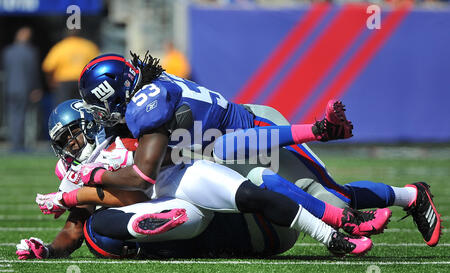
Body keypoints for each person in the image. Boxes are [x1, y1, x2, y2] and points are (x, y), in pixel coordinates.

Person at [77, 52, 442, 247]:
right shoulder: (149, 91)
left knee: (334, 198)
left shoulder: (148, 105)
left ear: (112, 91)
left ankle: (410, 195)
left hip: (259, 131)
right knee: (251, 186)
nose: (100, 113)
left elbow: (228, 147)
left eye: (98, 103)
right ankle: (341, 218)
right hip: (232, 144)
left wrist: (312, 131)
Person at [18, 100, 376, 259]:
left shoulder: (125, 130)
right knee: (97, 229)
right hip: (165, 207)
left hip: (181, 178)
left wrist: (74, 195)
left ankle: (331, 236)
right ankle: (149, 229)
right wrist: (48, 249)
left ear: (91, 125)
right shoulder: (74, 172)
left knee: (250, 192)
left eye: (72, 137)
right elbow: (74, 230)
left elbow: (138, 184)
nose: (70, 147)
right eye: (62, 143)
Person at [2, 26, 42, 152]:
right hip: (25, 88)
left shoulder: (7, 51)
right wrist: (36, 88)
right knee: (24, 117)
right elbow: (33, 72)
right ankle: (20, 144)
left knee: (13, 115)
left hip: (10, 88)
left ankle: (14, 141)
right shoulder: (31, 52)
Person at [42, 29, 99, 105]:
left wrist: (50, 81)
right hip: (83, 81)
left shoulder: (61, 46)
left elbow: (47, 67)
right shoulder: (88, 46)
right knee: (83, 106)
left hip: (64, 82)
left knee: (63, 106)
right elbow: (97, 65)